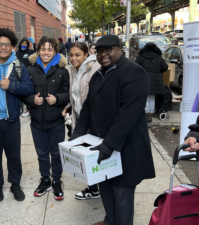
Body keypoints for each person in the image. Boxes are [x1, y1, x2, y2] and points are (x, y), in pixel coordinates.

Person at [69, 35, 155, 225]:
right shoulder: (100, 73)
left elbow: (128, 114)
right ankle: (109, 221)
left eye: (108, 50)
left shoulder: (134, 72)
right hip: (101, 144)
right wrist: (78, 134)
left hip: (124, 147)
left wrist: (109, 144)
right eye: (99, 51)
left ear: (120, 49)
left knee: (122, 194)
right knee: (105, 185)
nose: (103, 54)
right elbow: (89, 105)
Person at [0, 27, 34, 203]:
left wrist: (11, 86)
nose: (3, 47)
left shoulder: (18, 65)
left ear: (12, 46)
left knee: (14, 155)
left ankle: (15, 184)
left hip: (11, 119)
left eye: (7, 44)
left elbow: (28, 88)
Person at [24, 36, 69, 200]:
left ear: (56, 51)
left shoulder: (62, 71)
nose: (46, 52)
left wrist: (57, 99)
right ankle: (45, 180)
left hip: (56, 122)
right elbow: (24, 94)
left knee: (56, 154)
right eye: (43, 49)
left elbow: (68, 94)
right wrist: (32, 100)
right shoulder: (30, 70)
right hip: (37, 123)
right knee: (42, 154)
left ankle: (56, 180)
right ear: (38, 50)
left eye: (50, 49)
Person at [62, 42, 101, 200]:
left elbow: (95, 98)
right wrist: (70, 106)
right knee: (86, 156)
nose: (73, 58)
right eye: (70, 55)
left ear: (86, 55)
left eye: (77, 55)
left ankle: (97, 188)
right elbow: (78, 94)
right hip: (80, 119)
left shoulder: (94, 69)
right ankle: (94, 188)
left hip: (93, 121)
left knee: (94, 156)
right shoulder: (74, 70)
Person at [135, 42, 168, 123]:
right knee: (152, 98)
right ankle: (150, 115)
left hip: (143, 80)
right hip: (156, 80)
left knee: (145, 98)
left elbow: (135, 67)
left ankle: (145, 115)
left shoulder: (141, 57)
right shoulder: (159, 57)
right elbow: (165, 67)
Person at [16, 37, 36, 117]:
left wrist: (34, 44)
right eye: (22, 43)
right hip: (19, 74)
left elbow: (37, 51)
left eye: (25, 43)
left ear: (28, 45)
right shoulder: (17, 53)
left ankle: (28, 108)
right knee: (20, 92)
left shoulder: (30, 52)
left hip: (28, 75)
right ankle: (20, 108)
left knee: (27, 92)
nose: (23, 45)